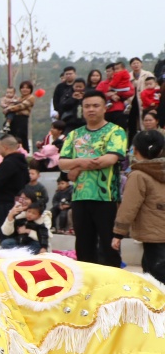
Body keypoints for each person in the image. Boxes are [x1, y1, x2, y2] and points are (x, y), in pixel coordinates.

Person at [59, 89, 127, 266]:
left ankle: (113, 280)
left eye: (96, 105)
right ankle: (87, 281)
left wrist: (77, 166)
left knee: (109, 246)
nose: (91, 109)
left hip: (106, 197)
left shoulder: (116, 131)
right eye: (87, 106)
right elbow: (62, 163)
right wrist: (80, 162)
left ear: (105, 108)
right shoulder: (74, 134)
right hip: (79, 197)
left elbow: (110, 159)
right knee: (83, 247)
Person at [113, 129, 165, 284]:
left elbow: (129, 206)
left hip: (153, 233)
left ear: (134, 150)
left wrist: (118, 233)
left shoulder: (138, 175)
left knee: (155, 278)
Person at [0, 134, 29, 228]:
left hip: (6, 203)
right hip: (17, 201)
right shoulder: (21, 161)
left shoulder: (8, 163)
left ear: (5, 147)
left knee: (5, 230)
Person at [97, 62, 135, 131]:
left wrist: (118, 94)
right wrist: (109, 95)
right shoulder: (103, 83)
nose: (107, 73)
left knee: (119, 132)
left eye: (109, 71)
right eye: (106, 71)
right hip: (106, 111)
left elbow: (131, 92)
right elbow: (97, 95)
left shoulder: (124, 82)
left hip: (119, 111)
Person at [7, 80, 36, 151]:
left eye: (27, 88)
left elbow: (21, 106)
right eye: (23, 88)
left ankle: (24, 151)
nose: (25, 89)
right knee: (12, 135)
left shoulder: (31, 97)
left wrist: (9, 109)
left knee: (21, 135)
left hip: (22, 118)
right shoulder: (19, 98)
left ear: (30, 89)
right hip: (14, 119)